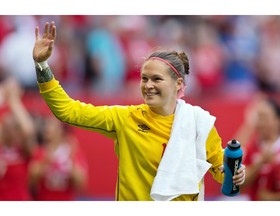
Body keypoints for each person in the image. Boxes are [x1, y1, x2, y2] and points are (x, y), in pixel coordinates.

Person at [32, 21, 246, 201]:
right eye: (144, 78)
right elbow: (68, 110)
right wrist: (42, 65)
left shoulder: (199, 123)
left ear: (178, 84)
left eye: (156, 79)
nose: (148, 85)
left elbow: (221, 173)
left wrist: (236, 175)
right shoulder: (125, 117)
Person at [0, 77, 36, 200]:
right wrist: (1, 90)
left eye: (14, 127)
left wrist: (14, 101)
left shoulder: (23, 150)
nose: (9, 130)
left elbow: (28, 131)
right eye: (6, 126)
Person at [28, 115, 88, 201]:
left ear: (61, 130)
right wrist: (47, 159)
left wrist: (72, 159)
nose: (46, 128)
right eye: (46, 125)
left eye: (51, 125)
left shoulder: (72, 152)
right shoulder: (40, 151)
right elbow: (31, 181)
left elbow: (80, 184)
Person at [235, 94, 280, 201]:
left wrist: (271, 198)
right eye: (258, 118)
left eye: (264, 117)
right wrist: (260, 163)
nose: (260, 123)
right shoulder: (252, 148)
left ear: (277, 120)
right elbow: (239, 186)